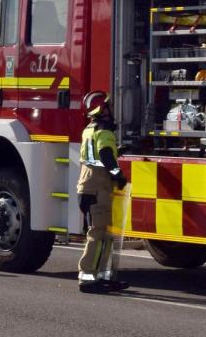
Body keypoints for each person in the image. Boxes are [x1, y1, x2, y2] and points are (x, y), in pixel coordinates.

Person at [77, 92, 128, 293]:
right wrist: (118, 175)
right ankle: (88, 278)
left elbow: (96, 154)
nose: (111, 111)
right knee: (97, 234)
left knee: (103, 235)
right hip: (98, 188)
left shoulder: (89, 130)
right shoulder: (105, 132)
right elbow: (106, 156)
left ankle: (101, 277)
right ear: (101, 109)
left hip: (86, 187)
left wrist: (118, 150)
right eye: (108, 107)